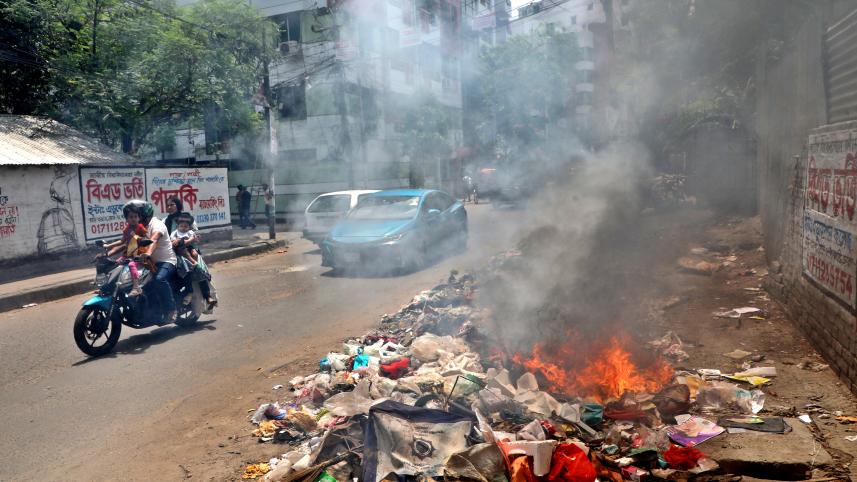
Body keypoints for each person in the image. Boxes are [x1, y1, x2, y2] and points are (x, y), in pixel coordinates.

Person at [127, 200, 178, 323]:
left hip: (167, 261)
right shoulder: (141, 227)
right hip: (150, 263)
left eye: (138, 215)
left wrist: (148, 253)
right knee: (141, 285)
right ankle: (152, 313)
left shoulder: (157, 224)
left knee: (159, 279)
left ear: (144, 215)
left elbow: (154, 239)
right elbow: (128, 241)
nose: (136, 218)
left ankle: (172, 309)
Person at [170, 213, 216, 308]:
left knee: (200, 273)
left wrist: (187, 242)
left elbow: (194, 241)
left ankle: (207, 296)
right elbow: (172, 242)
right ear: (177, 225)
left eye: (185, 226)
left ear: (189, 226)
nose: (183, 228)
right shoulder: (173, 231)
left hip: (191, 253)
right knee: (185, 272)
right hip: (178, 254)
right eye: (181, 226)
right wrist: (178, 242)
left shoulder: (191, 232)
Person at [101, 207, 149, 296]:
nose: (133, 219)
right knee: (115, 264)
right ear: (126, 219)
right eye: (131, 217)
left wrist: (136, 236)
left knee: (131, 265)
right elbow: (121, 241)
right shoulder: (126, 229)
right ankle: (106, 287)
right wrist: (108, 245)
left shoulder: (140, 227)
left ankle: (136, 287)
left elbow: (147, 239)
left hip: (139, 254)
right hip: (128, 254)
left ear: (139, 218)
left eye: (135, 217)